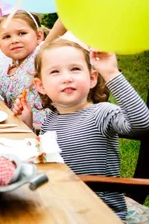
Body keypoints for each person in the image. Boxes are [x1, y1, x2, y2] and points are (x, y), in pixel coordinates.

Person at [13, 39, 149, 220]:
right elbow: (47, 158)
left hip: (98, 212)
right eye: (55, 72)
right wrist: (28, 125)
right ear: (41, 86)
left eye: (75, 69)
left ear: (92, 78)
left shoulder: (102, 113)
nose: (67, 77)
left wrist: (111, 73)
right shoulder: (51, 119)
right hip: (58, 204)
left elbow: (142, 123)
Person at [0, 10, 46, 125]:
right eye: (7, 36)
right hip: (17, 129)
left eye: (22, 33)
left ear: (38, 36)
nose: (15, 40)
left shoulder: (40, 58)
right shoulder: (5, 74)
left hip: (41, 131)